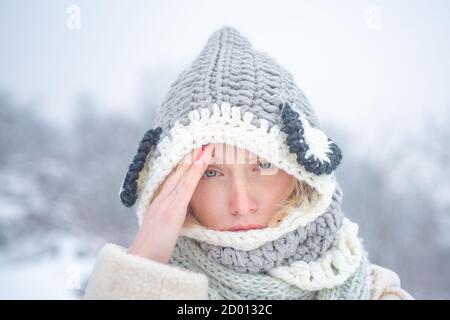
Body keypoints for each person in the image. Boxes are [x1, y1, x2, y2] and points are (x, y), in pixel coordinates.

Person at [83, 26, 414, 300]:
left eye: (264, 166)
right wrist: (144, 264)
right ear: (172, 182)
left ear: (302, 172)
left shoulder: (375, 293)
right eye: (210, 172)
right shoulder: (125, 284)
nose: (241, 204)